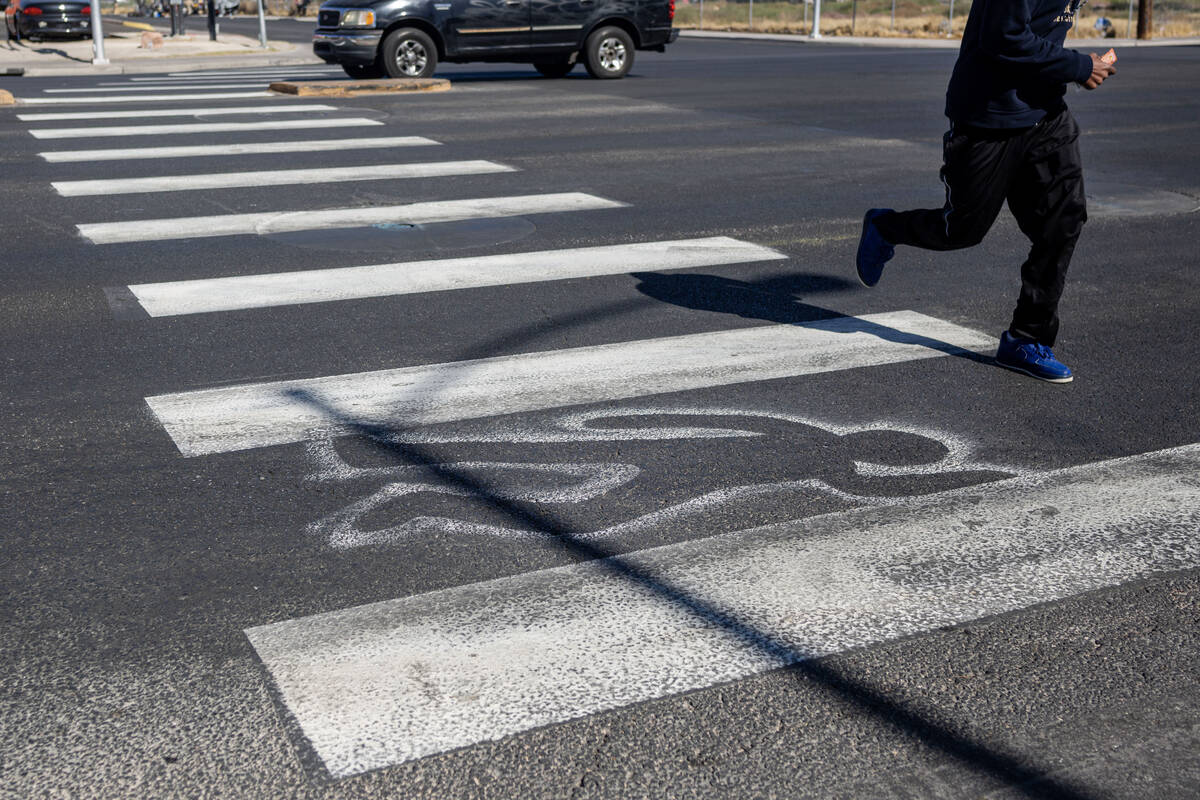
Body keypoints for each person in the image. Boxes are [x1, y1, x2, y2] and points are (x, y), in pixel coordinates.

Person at [855, 0, 1116, 383]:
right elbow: (1004, 37)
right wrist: (1079, 66)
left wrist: (1080, 66)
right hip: (987, 118)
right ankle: (885, 227)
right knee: (961, 230)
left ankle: (1026, 337)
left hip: (1046, 115)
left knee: (1064, 220)